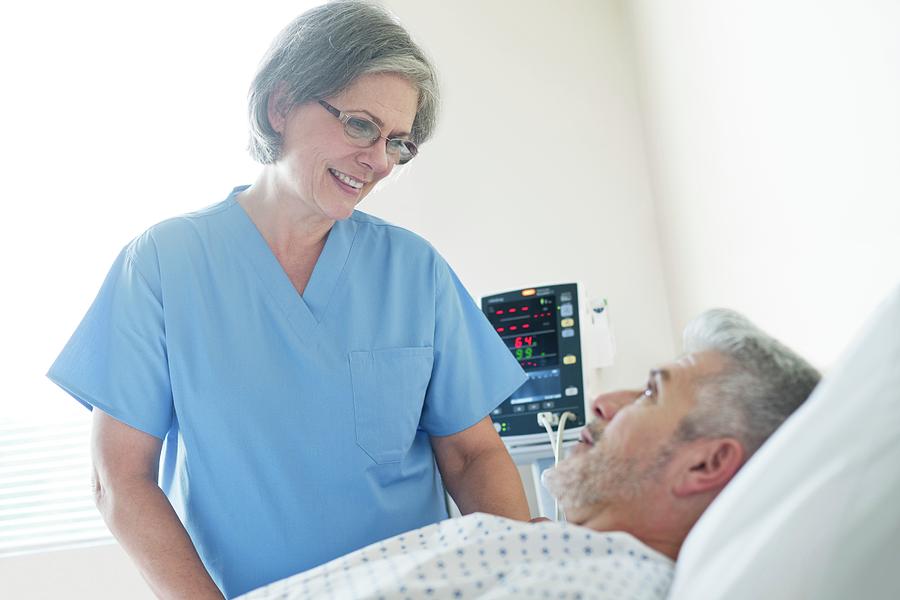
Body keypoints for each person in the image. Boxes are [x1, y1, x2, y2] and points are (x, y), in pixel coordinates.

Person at [46, 2, 530, 598]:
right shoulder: (163, 267)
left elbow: (472, 457)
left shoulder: (413, 270)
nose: (379, 161)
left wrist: (531, 579)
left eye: (397, 142)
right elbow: (118, 478)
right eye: (359, 125)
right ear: (281, 106)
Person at [236, 308, 821, 600]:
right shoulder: (559, 552)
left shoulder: (611, 583)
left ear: (705, 464)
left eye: (650, 391)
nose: (605, 401)